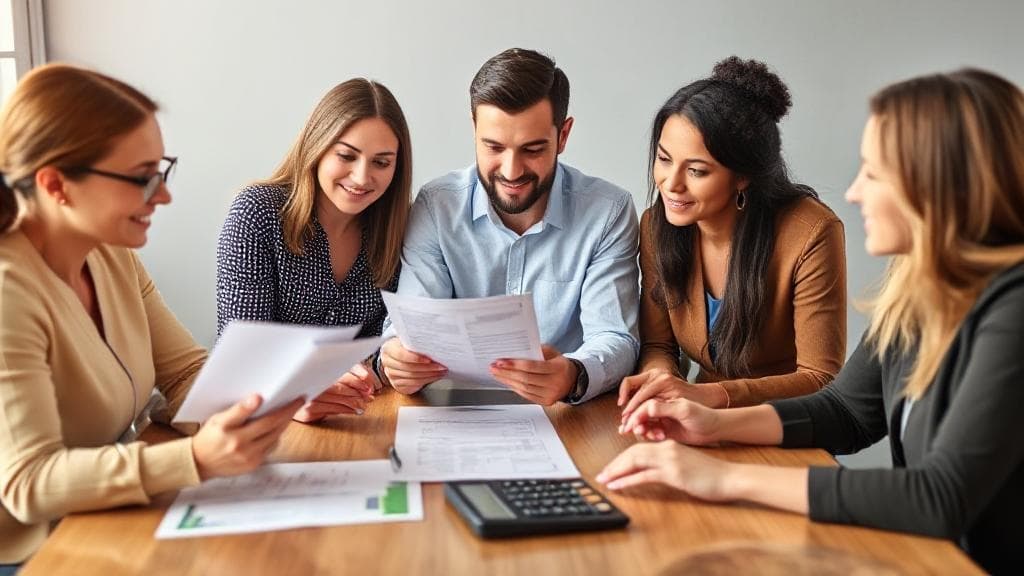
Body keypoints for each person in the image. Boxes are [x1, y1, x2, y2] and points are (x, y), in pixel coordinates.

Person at [600, 68, 1024, 575]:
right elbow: (848, 411)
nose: (853, 191)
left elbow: (939, 497)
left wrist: (721, 478)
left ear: (938, 186)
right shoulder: (920, 287)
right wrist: (713, 424)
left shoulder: (1015, 308)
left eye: (874, 172)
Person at [0, 64, 302, 569]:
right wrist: (196, 459)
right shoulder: (9, 292)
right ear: (55, 185)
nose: (163, 195)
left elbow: (184, 373)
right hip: (36, 552)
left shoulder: (111, 254)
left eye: (160, 171)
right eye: (141, 179)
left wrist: (249, 411)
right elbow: (28, 483)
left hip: (110, 516)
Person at [378, 48, 640, 405]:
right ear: (474, 129)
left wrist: (574, 373)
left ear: (563, 136)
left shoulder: (608, 212)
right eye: (494, 147)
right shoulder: (436, 206)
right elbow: (413, 323)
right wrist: (397, 356)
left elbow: (615, 336)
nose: (511, 170)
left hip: (566, 415)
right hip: (453, 410)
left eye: (532, 149)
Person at [618, 57, 846, 421]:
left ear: (742, 177)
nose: (671, 184)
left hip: (783, 423)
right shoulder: (656, 226)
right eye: (664, 159)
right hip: (697, 419)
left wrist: (712, 395)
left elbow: (819, 378)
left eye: (696, 170)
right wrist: (661, 377)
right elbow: (659, 344)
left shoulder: (811, 232)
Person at [217, 79, 412, 423]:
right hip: (263, 420)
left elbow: (391, 341)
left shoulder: (399, 227)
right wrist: (291, 394)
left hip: (363, 414)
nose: (362, 176)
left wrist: (380, 367)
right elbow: (240, 354)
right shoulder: (257, 214)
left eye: (381, 162)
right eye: (346, 156)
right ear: (317, 147)